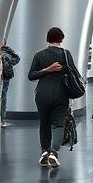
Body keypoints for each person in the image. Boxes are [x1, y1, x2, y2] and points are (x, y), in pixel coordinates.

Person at [28, 28, 76, 167]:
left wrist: (46, 70)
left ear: (47, 39)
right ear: (61, 39)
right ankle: (53, 153)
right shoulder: (66, 55)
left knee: (44, 123)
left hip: (42, 93)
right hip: (61, 94)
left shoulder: (39, 55)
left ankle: (44, 152)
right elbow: (74, 73)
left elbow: (31, 75)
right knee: (58, 124)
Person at [0, 40, 20, 128]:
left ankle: (2, 120)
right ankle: (1, 120)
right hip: (2, 76)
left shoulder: (6, 51)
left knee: (3, 97)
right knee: (2, 97)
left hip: (5, 77)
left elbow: (16, 59)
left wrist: (8, 49)